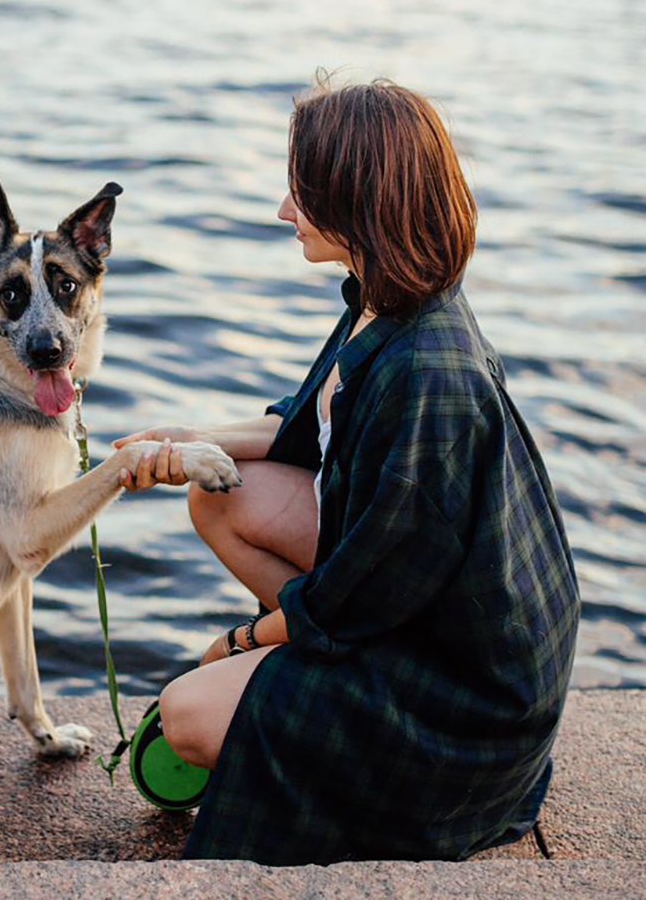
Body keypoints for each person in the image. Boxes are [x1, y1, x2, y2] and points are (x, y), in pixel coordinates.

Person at [113, 75, 580, 866]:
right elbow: (307, 430)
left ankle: (332, 728)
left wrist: (239, 641)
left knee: (188, 710)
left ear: (355, 200)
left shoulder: (431, 376)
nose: (283, 210)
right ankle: (303, 687)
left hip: (466, 704)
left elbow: (365, 590)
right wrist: (189, 441)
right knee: (220, 494)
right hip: (411, 613)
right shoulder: (385, 296)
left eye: (301, 191)